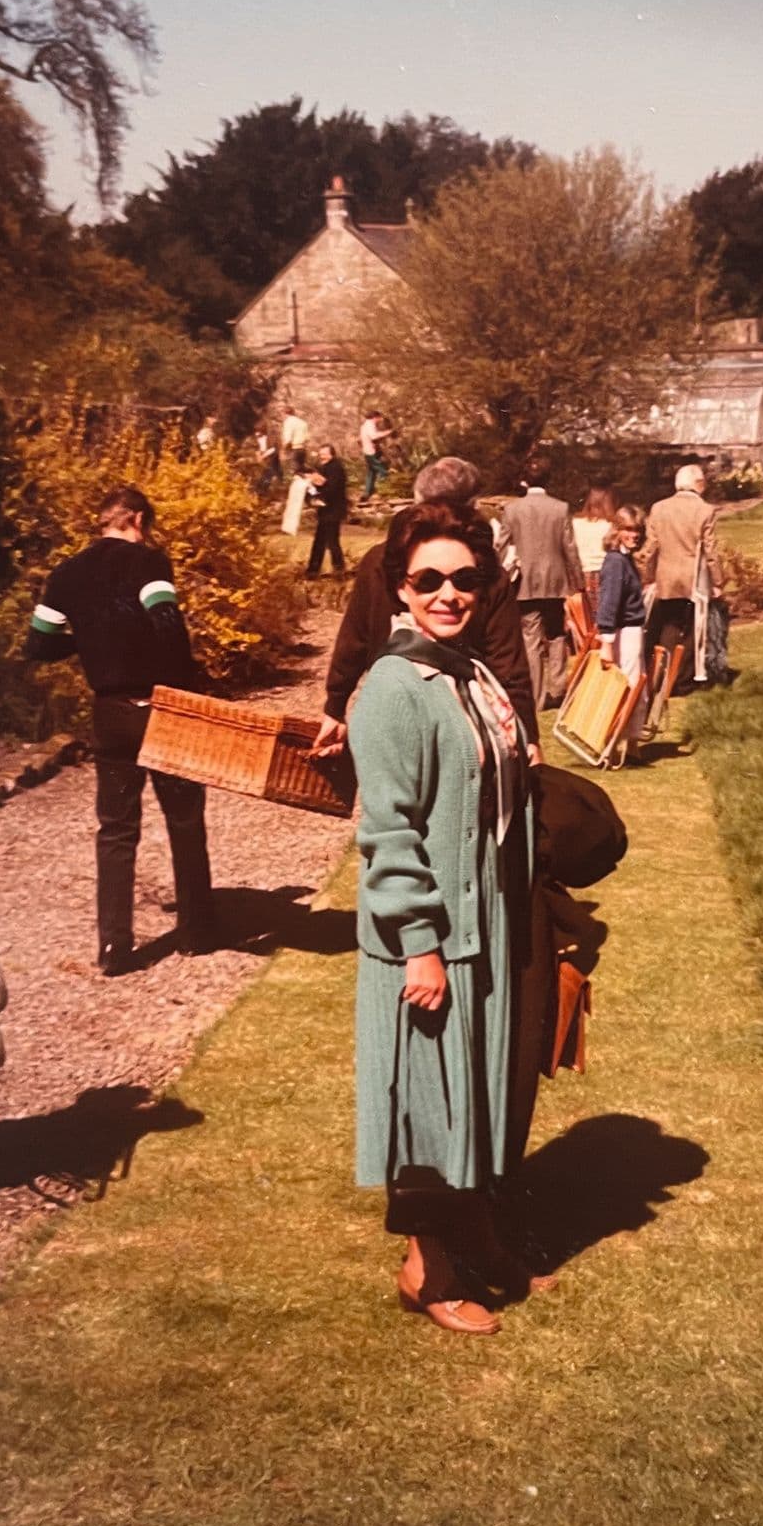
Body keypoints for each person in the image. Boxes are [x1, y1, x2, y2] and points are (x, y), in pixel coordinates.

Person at [349, 501, 542, 1335]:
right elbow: (387, 834)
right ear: (399, 588)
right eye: (427, 579)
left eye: (464, 579)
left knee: (482, 1091)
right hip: (429, 937)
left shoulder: (469, 672)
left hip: (488, 921)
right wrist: (419, 948)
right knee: (430, 1102)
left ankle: (480, 1236)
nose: (447, 593)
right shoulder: (394, 690)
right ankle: (427, 1267)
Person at [27, 485, 214, 976]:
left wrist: (91, 638)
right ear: (135, 519)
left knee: (115, 827)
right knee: (184, 816)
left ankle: (114, 946)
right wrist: (186, 688)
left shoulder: (66, 574)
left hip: (109, 712)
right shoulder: (148, 563)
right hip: (161, 706)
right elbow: (168, 627)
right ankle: (196, 931)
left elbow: (39, 645)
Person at [311, 457, 538, 761]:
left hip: (395, 711)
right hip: (462, 725)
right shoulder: (486, 571)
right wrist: (529, 738)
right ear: (472, 505)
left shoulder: (376, 560)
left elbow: (353, 642)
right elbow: (509, 666)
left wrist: (335, 707)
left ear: (417, 500)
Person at [501, 453, 585, 712]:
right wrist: (578, 581)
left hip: (524, 582)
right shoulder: (560, 508)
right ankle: (558, 688)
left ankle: (536, 697)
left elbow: (500, 545)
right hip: (555, 581)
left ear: (525, 479)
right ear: (548, 479)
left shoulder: (511, 509)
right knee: (557, 633)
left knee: (531, 639)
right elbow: (569, 548)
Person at [641, 463, 725, 693]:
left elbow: (650, 548)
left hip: (666, 576)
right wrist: (718, 581)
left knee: (667, 626)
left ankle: (662, 675)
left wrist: (648, 576)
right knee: (688, 631)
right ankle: (680, 680)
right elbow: (710, 551)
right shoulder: (705, 510)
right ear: (699, 484)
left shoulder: (659, 508)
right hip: (692, 579)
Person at [595, 505, 649, 761]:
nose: (634, 535)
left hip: (630, 631)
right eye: (628, 529)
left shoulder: (624, 559)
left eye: (637, 530)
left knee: (635, 687)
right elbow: (609, 603)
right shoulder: (617, 562)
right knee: (627, 688)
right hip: (623, 633)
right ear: (617, 530)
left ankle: (629, 742)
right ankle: (614, 745)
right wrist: (607, 642)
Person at [570, 482, 618, 614]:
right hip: (604, 572)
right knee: (604, 614)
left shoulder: (576, 522)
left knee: (584, 617)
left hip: (582, 573)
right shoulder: (610, 525)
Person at [303, 444, 347, 578]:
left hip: (332, 509)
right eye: (320, 453)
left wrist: (318, 493)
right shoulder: (326, 467)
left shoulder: (335, 468)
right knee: (321, 540)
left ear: (331, 454)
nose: (322, 456)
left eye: (324, 453)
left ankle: (337, 569)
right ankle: (314, 570)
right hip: (326, 510)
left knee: (331, 540)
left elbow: (332, 488)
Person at [358, 408, 396, 500]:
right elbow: (373, 436)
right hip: (370, 451)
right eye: (379, 418)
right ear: (375, 417)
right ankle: (387, 478)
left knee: (371, 473)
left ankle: (367, 493)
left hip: (369, 451)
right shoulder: (369, 425)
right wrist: (387, 432)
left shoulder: (364, 426)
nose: (380, 420)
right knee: (381, 469)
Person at [280, 407, 309, 475]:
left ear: (285, 414)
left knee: (294, 473)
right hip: (302, 449)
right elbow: (307, 438)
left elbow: (288, 440)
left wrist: (283, 450)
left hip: (294, 450)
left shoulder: (288, 422)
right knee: (302, 472)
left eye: (282, 414)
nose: (282, 417)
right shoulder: (303, 422)